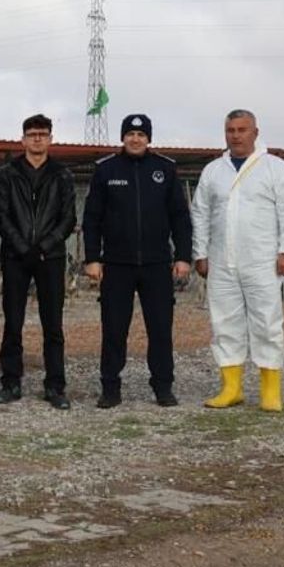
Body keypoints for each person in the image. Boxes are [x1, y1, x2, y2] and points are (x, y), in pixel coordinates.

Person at [191, 109, 284, 412]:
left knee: (267, 322)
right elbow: (200, 213)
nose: (236, 135)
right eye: (231, 130)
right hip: (221, 261)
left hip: (263, 261)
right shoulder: (213, 170)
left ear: (255, 132)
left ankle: (270, 389)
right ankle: (231, 387)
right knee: (224, 322)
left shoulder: (274, 167)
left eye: (242, 129)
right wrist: (200, 253)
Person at [83, 114, 192, 409]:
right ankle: (110, 388)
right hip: (116, 265)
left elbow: (180, 217)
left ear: (148, 139)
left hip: (157, 264)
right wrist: (92, 258)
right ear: (122, 137)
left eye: (140, 134)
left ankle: (163, 386)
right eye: (130, 133)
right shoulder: (106, 170)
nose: (135, 139)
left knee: (160, 329)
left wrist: (183, 255)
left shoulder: (165, 169)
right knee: (114, 329)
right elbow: (92, 218)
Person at [0, 114, 77, 410]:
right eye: (32, 134)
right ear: (23, 139)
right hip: (16, 257)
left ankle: (55, 385)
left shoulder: (62, 174)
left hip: (50, 257)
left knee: (52, 324)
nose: (37, 138)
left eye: (42, 134)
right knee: (13, 321)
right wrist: (21, 246)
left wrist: (43, 245)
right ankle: (11, 381)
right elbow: (1, 215)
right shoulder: (7, 173)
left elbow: (68, 217)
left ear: (51, 138)